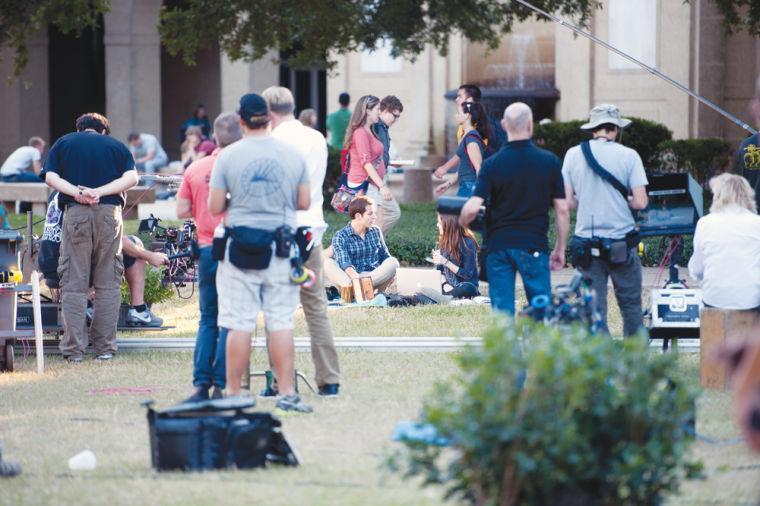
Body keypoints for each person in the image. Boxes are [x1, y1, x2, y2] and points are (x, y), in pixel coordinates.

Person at [208, 93, 312, 413]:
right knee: (280, 321)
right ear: (269, 117)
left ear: (241, 121)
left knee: (239, 322)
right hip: (281, 247)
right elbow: (304, 202)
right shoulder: (293, 155)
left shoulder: (227, 156)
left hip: (240, 248)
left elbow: (214, 208)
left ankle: (234, 392)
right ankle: (287, 393)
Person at [41, 112, 139, 362]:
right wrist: (99, 192)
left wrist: (78, 193)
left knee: (74, 284)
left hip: (76, 213)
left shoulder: (64, 142)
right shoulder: (117, 146)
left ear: (80, 128)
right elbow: (132, 178)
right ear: (104, 130)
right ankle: (104, 349)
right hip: (109, 213)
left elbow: (50, 177)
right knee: (108, 284)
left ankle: (74, 351)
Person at [263, 86, 341, 397]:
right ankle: (329, 378)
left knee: (277, 310)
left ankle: (279, 381)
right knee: (316, 307)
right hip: (312, 228)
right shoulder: (316, 137)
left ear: (269, 113)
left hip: (282, 230)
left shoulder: (272, 141)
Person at [460, 103, 569, 315]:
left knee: (502, 313)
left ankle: (505, 348)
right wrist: (560, 249)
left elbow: (472, 209)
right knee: (541, 310)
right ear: (530, 125)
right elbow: (562, 210)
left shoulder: (492, 164)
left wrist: (464, 221)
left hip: (498, 247)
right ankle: (538, 347)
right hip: (534, 245)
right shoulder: (550, 162)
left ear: (503, 125)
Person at [562, 104, 649, 336]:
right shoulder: (630, 155)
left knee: (592, 309)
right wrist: (625, 200)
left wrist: (587, 199)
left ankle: (600, 361)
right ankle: (635, 358)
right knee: (631, 305)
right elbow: (641, 202)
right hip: (621, 244)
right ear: (616, 129)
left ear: (593, 129)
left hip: (587, 246)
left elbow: (567, 202)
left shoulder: (573, 155)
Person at [177, 112, 242, 403]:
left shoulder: (196, 168)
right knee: (230, 317)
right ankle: (221, 384)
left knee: (207, 318)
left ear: (214, 137)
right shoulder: (242, 167)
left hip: (205, 247)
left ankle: (201, 384)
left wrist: (202, 212)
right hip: (235, 246)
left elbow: (180, 211)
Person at [38, 190, 168, 327]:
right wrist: (150, 256)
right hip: (71, 266)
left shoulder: (59, 189)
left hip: (48, 262)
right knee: (135, 245)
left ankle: (87, 305)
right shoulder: (90, 192)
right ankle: (138, 310)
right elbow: (113, 237)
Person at [688, 173, 760, 309]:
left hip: (714, 301)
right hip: (751, 302)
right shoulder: (757, 223)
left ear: (719, 196)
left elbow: (696, 269)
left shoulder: (704, 223)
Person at [323, 196, 399, 291]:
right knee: (328, 263)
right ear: (358, 216)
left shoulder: (376, 231)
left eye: (374, 213)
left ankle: (359, 290)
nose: (375, 217)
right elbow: (346, 265)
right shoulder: (340, 236)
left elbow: (385, 256)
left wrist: (391, 273)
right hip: (350, 278)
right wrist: (356, 279)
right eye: (370, 214)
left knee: (393, 262)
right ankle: (359, 289)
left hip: (372, 277)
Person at [344, 95, 394, 229]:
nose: (379, 112)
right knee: (368, 227)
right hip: (363, 184)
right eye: (377, 109)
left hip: (371, 184)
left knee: (372, 226)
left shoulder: (370, 131)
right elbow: (365, 163)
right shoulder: (360, 133)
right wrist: (382, 186)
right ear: (367, 110)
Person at [434, 84, 505, 179]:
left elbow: (469, 152)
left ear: (469, 100)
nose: (456, 99)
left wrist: (445, 167)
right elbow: (466, 156)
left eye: (459, 96)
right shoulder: (466, 125)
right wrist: (450, 182)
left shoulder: (481, 126)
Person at [436, 101, 490, 197]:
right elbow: (463, 166)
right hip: (466, 186)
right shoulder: (467, 137)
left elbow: (479, 169)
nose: (455, 115)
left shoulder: (471, 139)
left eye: (458, 113)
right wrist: (448, 184)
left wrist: (478, 194)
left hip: (469, 187)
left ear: (467, 115)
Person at [371, 95, 403, 233]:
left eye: (398, 117)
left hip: (378, 179)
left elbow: (379, 156)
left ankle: (373, 242)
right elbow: (369, 159)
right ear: (383, 111)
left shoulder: (382, 128)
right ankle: (371, 242)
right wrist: (381, 185)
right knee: (379, 218)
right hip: (374, 180)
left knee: (381, 218)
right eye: (394, 116)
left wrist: (390, 163)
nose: (395, 120)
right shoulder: (377, 127)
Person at [432, 214, 480, 299]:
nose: (437, 225)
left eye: (440, 223)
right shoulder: (443, 243)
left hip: (464, 286)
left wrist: (445, 262)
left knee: (468, 288)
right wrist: (445, 284)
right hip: (448, 287)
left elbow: (467, 274)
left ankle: (442, 297)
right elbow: (439, 271)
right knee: (427, 283)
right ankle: (446, 296)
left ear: (449, 225)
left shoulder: (468, 244)